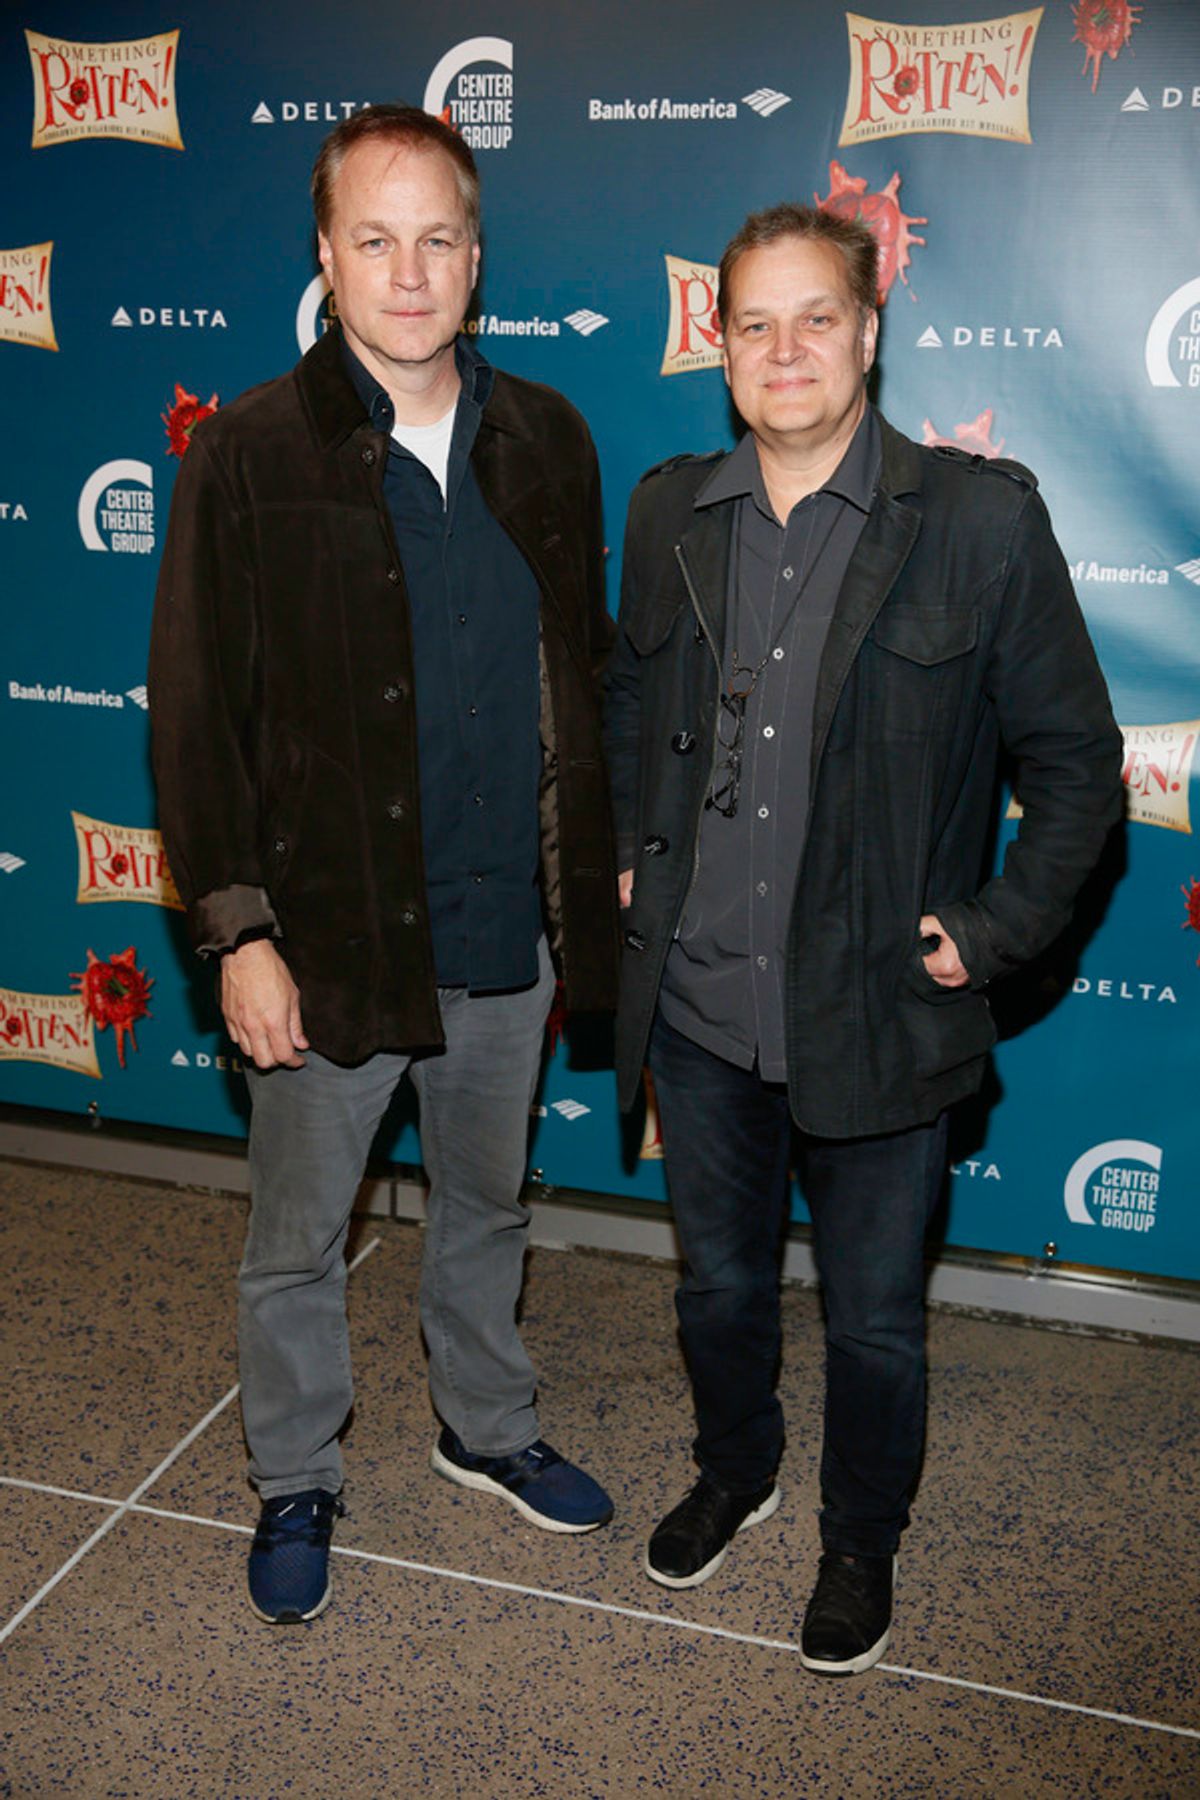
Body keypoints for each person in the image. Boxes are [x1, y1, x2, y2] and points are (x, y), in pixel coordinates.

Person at [604, 203, 1122, 1675]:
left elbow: (1079, 766)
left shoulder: (978, 522)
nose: (786, 351)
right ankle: (737, 1470)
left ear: (870, 334)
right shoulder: (666, 514)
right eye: (754, 324)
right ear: (719, 349)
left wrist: (997, 929)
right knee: (716, 1290)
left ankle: (859, 1538)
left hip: (881, 1011)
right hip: (700, 1008)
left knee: (878, 1325)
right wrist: (632, 856)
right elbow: (628, 698)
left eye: (816, 318)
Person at [149, 104, 619, 1624]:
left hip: (503, 931)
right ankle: (295, 1473)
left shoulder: (550, 436)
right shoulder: (246, 455)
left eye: (436, 240)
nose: (408, 274)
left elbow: (583, 676)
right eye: (374, 240)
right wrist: (240, 936)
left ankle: (486, 1426)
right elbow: (196, 720)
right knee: (298, 1243)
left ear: (476, 258)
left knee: (488, 1207)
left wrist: (592, 873)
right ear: (327, 255)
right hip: (328, 941)